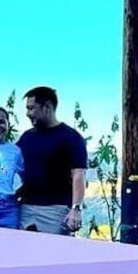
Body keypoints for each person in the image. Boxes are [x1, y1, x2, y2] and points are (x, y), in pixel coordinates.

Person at [16, 86, 87, 235]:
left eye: (31, 108)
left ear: (47, 107)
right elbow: (14, 165)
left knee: (51, 255)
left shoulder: (71, 137)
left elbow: (78, 175)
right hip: (25, 208)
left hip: (55, 211)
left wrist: (75, 209)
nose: (27, 113)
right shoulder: (27, 137)